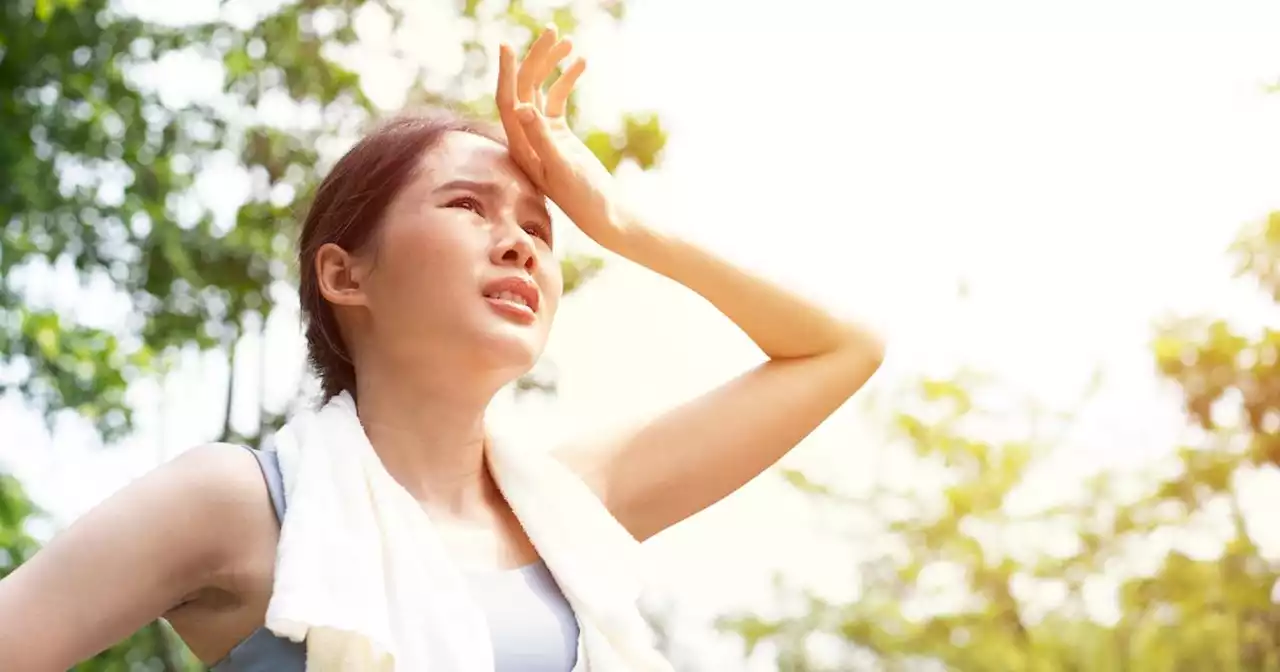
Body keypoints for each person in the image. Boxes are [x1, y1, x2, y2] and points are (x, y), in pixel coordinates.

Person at [0, 27, 884, 671]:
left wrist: (625, 226)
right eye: (468, 207)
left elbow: (840, 349)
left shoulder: (569, 506)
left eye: (540, 227)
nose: (521, 244)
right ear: (346, 276)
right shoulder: (239, 503)